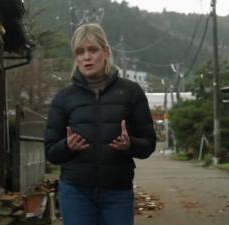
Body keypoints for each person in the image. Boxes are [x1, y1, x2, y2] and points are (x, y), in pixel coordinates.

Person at [44, 23, 156, 225]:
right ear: (75, 58)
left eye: (93, 49)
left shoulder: (131, 92)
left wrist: (129, 144)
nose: (86, 57)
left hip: (118, 191)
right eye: (80, 52)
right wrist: (67, 146)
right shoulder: (63, 98)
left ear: (106, 51)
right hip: (75, 192)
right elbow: (51, 152)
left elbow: (148, 144)